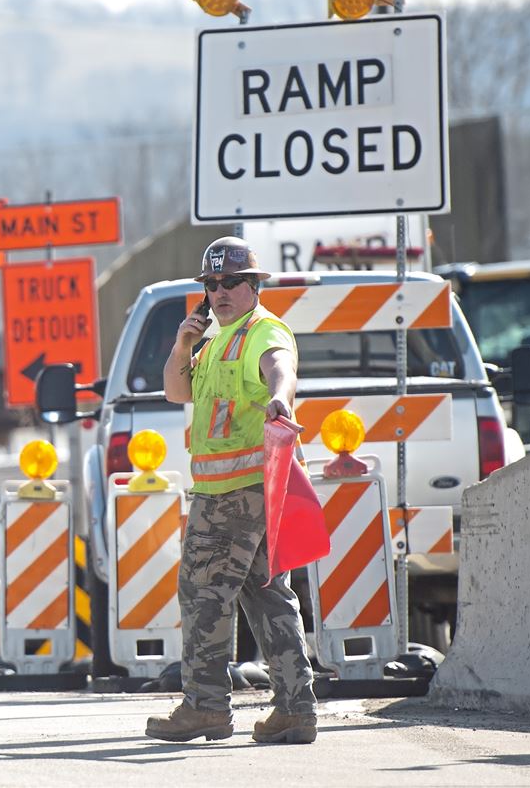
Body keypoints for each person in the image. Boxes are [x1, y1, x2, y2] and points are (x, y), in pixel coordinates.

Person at [146, 236, 318, 745]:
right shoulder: (215, 339)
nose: (220, 292)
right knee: (266, 596)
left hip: (233, 494)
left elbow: (279, 369)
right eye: (212, 284)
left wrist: (281, 400)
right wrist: (183, 344)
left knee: (203, 593)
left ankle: (205, 706)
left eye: (231, 282)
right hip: (245, 492)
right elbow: (176, 391)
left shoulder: (263, 331)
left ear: (254, 286)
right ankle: (295, 709)